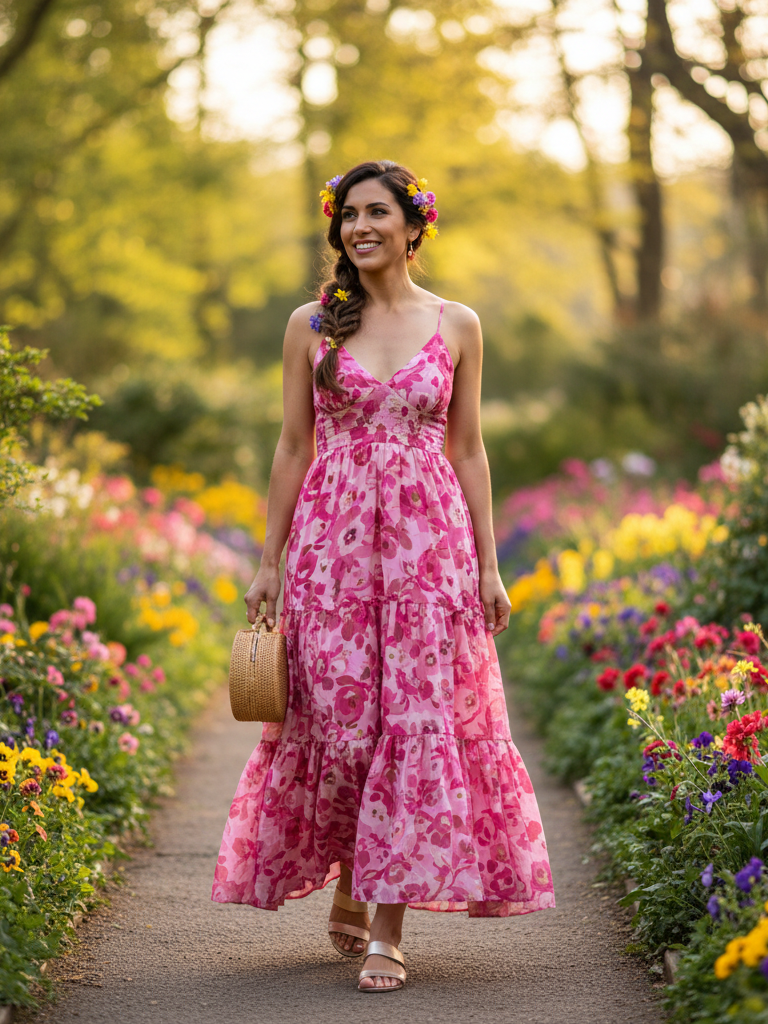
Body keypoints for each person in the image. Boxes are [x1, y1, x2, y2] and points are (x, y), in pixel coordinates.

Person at [211, 159, 555, 993]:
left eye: (377, 213)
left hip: (427, 553)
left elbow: (467, 448)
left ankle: (386, 930)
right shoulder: (310, 326)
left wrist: (489, 564)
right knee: (342, 719)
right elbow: (293, 446)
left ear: (412, 225)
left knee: (414, 716)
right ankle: (350, 880)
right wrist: (268, 560)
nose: (360, 227)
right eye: (348, 215)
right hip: (332, 551)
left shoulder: (459, 324)